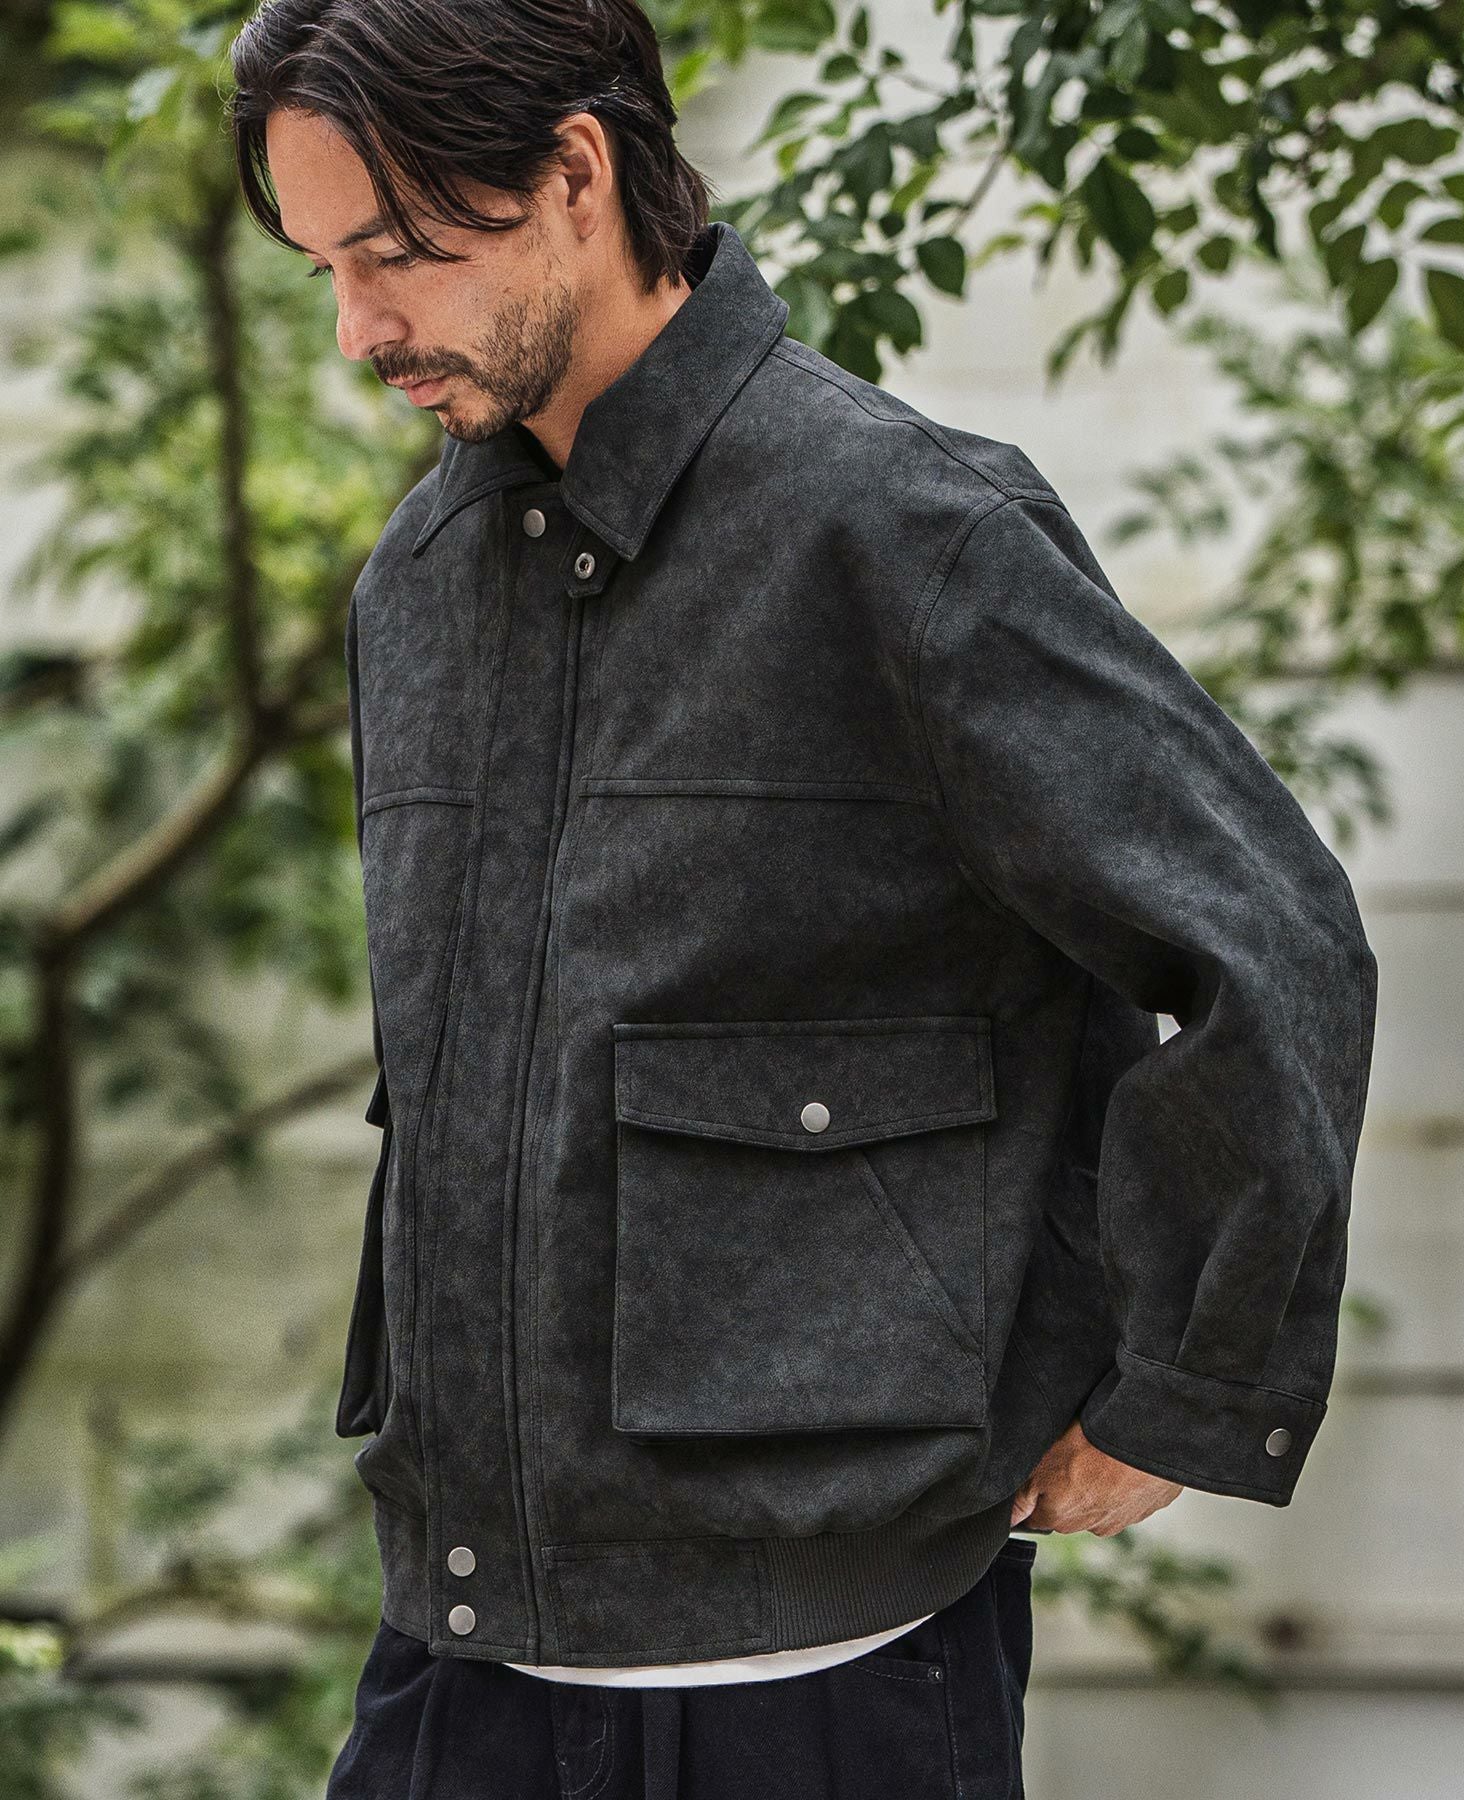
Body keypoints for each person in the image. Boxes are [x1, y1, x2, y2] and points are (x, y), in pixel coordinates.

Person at [225, 2, 1379, 1794]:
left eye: (396, 253)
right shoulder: (422, 580)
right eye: (324, 270)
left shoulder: (906, 536)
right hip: (457, 1667)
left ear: (576, 174)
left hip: (822, 1685)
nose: (359, 330)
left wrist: (1183, 1391)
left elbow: (1269, 940)